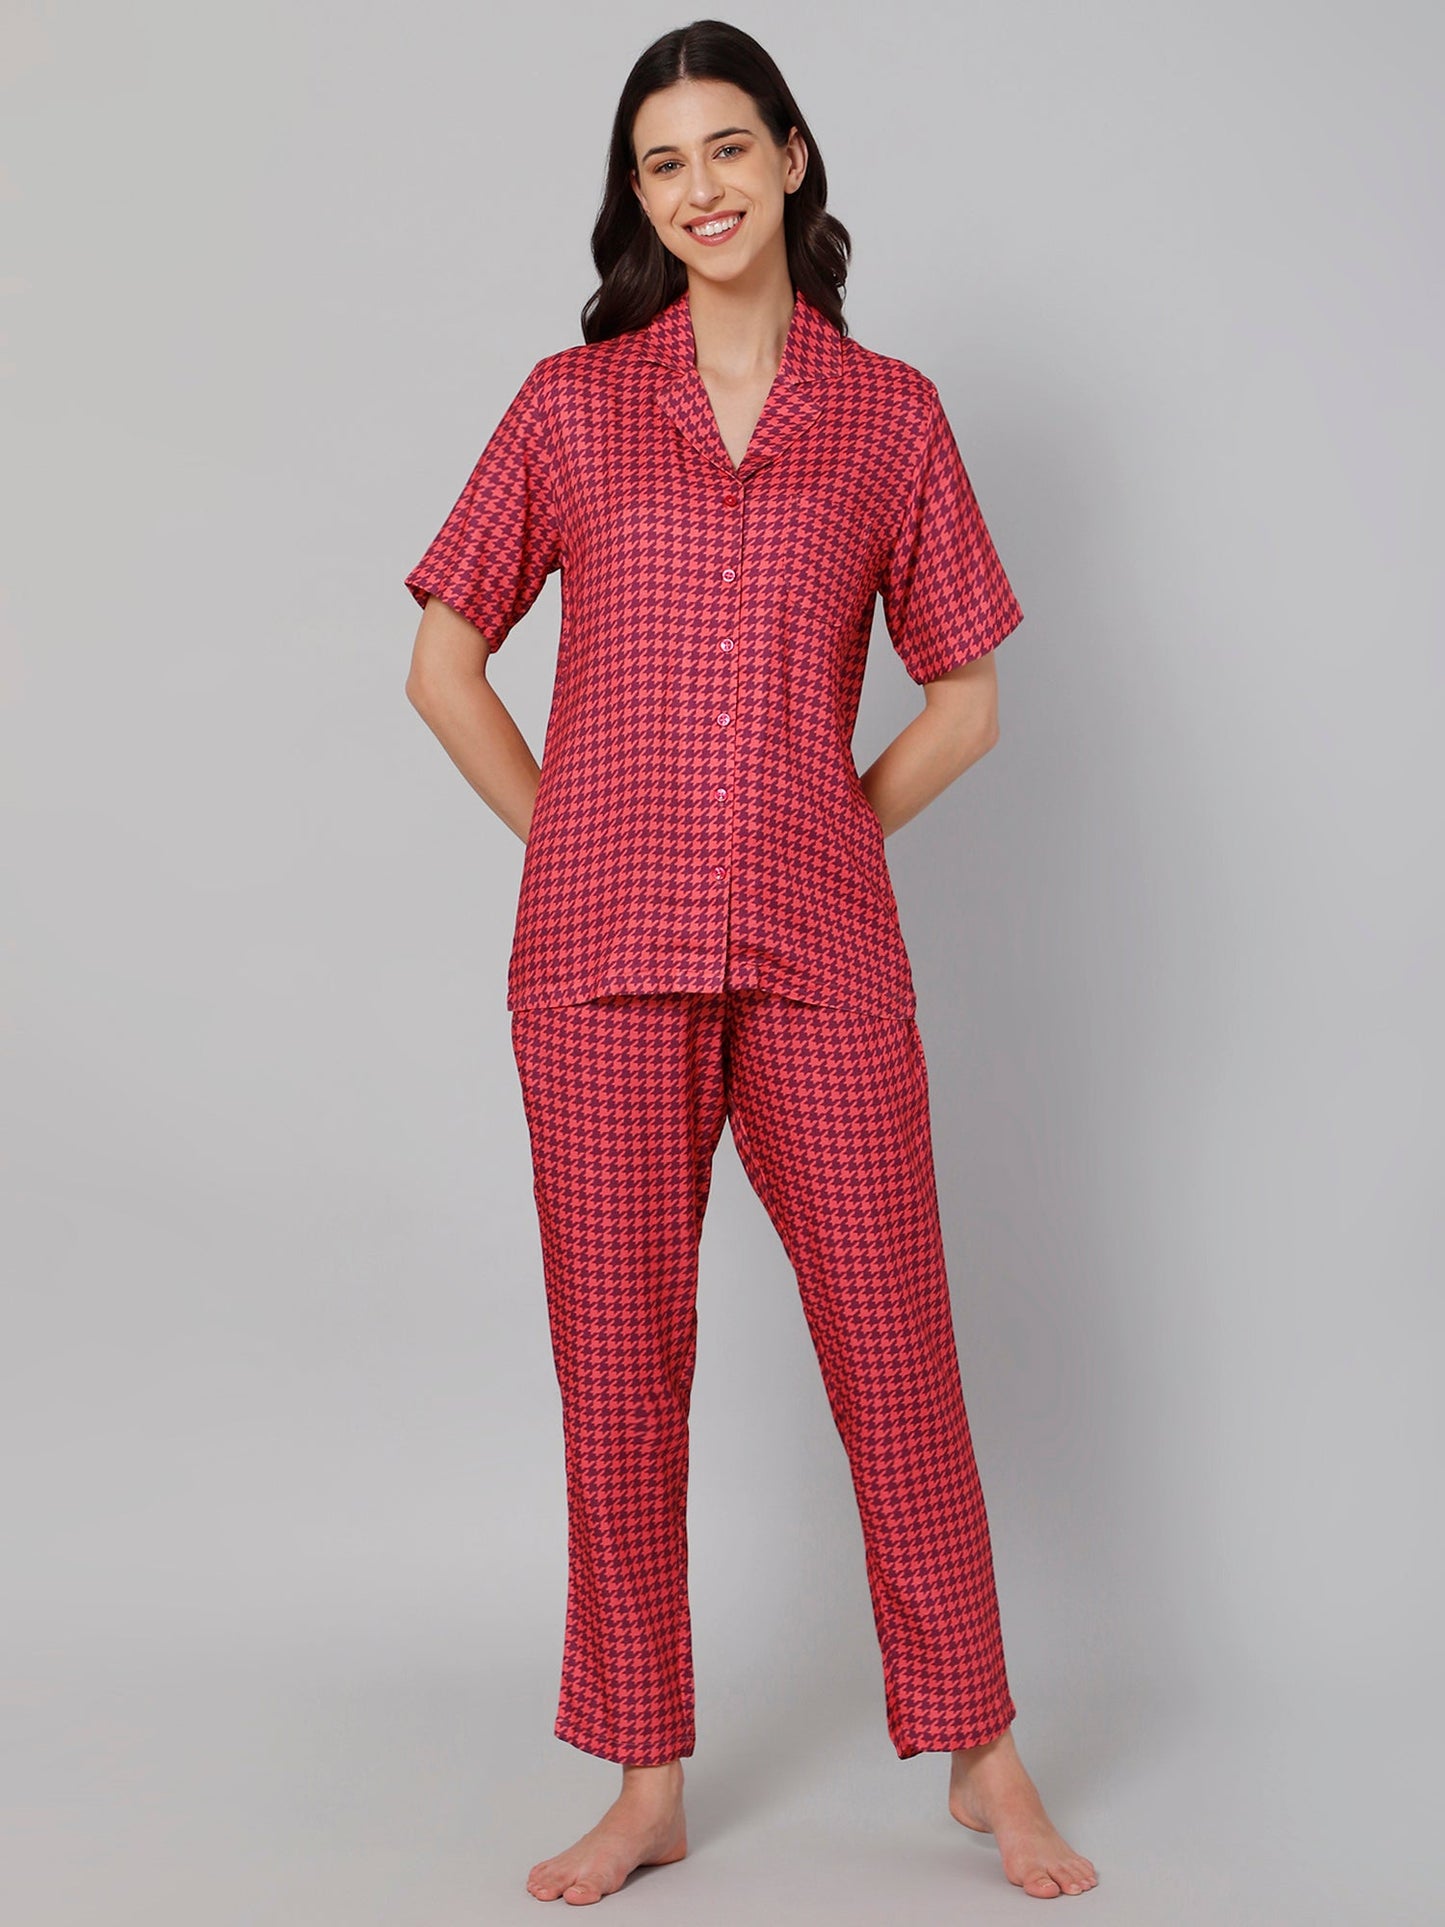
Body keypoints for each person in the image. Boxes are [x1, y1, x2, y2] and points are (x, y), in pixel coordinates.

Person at [402, 18, 1098, 1909]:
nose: (698, 188)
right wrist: (575, 835)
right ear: (635, 199)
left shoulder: (891, 417)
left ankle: (982, 1756)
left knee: (896, 1346)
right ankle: (646, 1784)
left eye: (727, 147)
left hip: (818, 955)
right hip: (597, 966)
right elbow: (442, 663)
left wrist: (821, 826)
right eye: (661, 163)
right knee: (618, 1370)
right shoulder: (568, 408)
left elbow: (966, 699)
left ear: (791, 157)